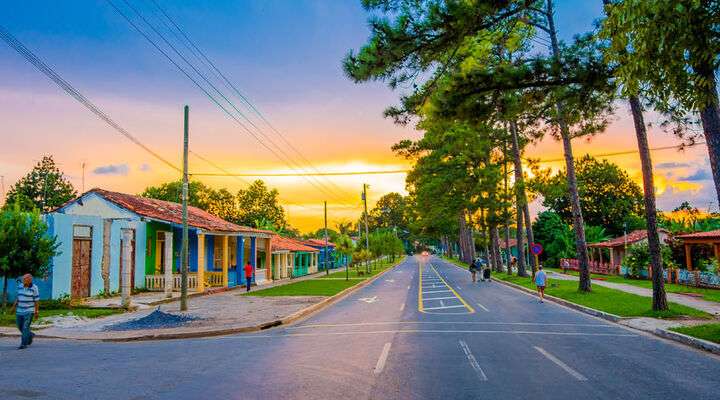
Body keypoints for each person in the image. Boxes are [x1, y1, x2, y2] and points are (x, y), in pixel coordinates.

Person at [12, 274, 39, 350]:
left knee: (25, 327)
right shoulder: (20, 286)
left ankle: (23, 344)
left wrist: (36, 311)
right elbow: (18, 297)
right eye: (23, 279)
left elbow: (36, 300)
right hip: (19, 311)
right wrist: (13, 307)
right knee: (19, 326)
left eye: (25, 279)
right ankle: (30, 335)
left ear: (29, 280)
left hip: (29, 311)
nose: (23, 280)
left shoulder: (34, 288)